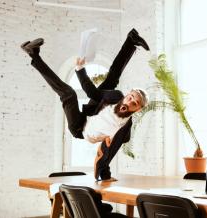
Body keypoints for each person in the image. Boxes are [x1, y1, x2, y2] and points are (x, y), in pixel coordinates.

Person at [21, 29, 149, 181]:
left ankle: (34, 56)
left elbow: (110, 151)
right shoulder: (116, 97)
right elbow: (92, 93)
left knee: (69, 94)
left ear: (138, 109)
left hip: (79, 128)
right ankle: (131, 41)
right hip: (90, 114)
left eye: (134, 103)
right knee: (111, 80)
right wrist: (80, 70)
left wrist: (105, 174)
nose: (130, 102)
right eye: (130, 98)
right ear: (127, 95)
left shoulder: (125, 129)